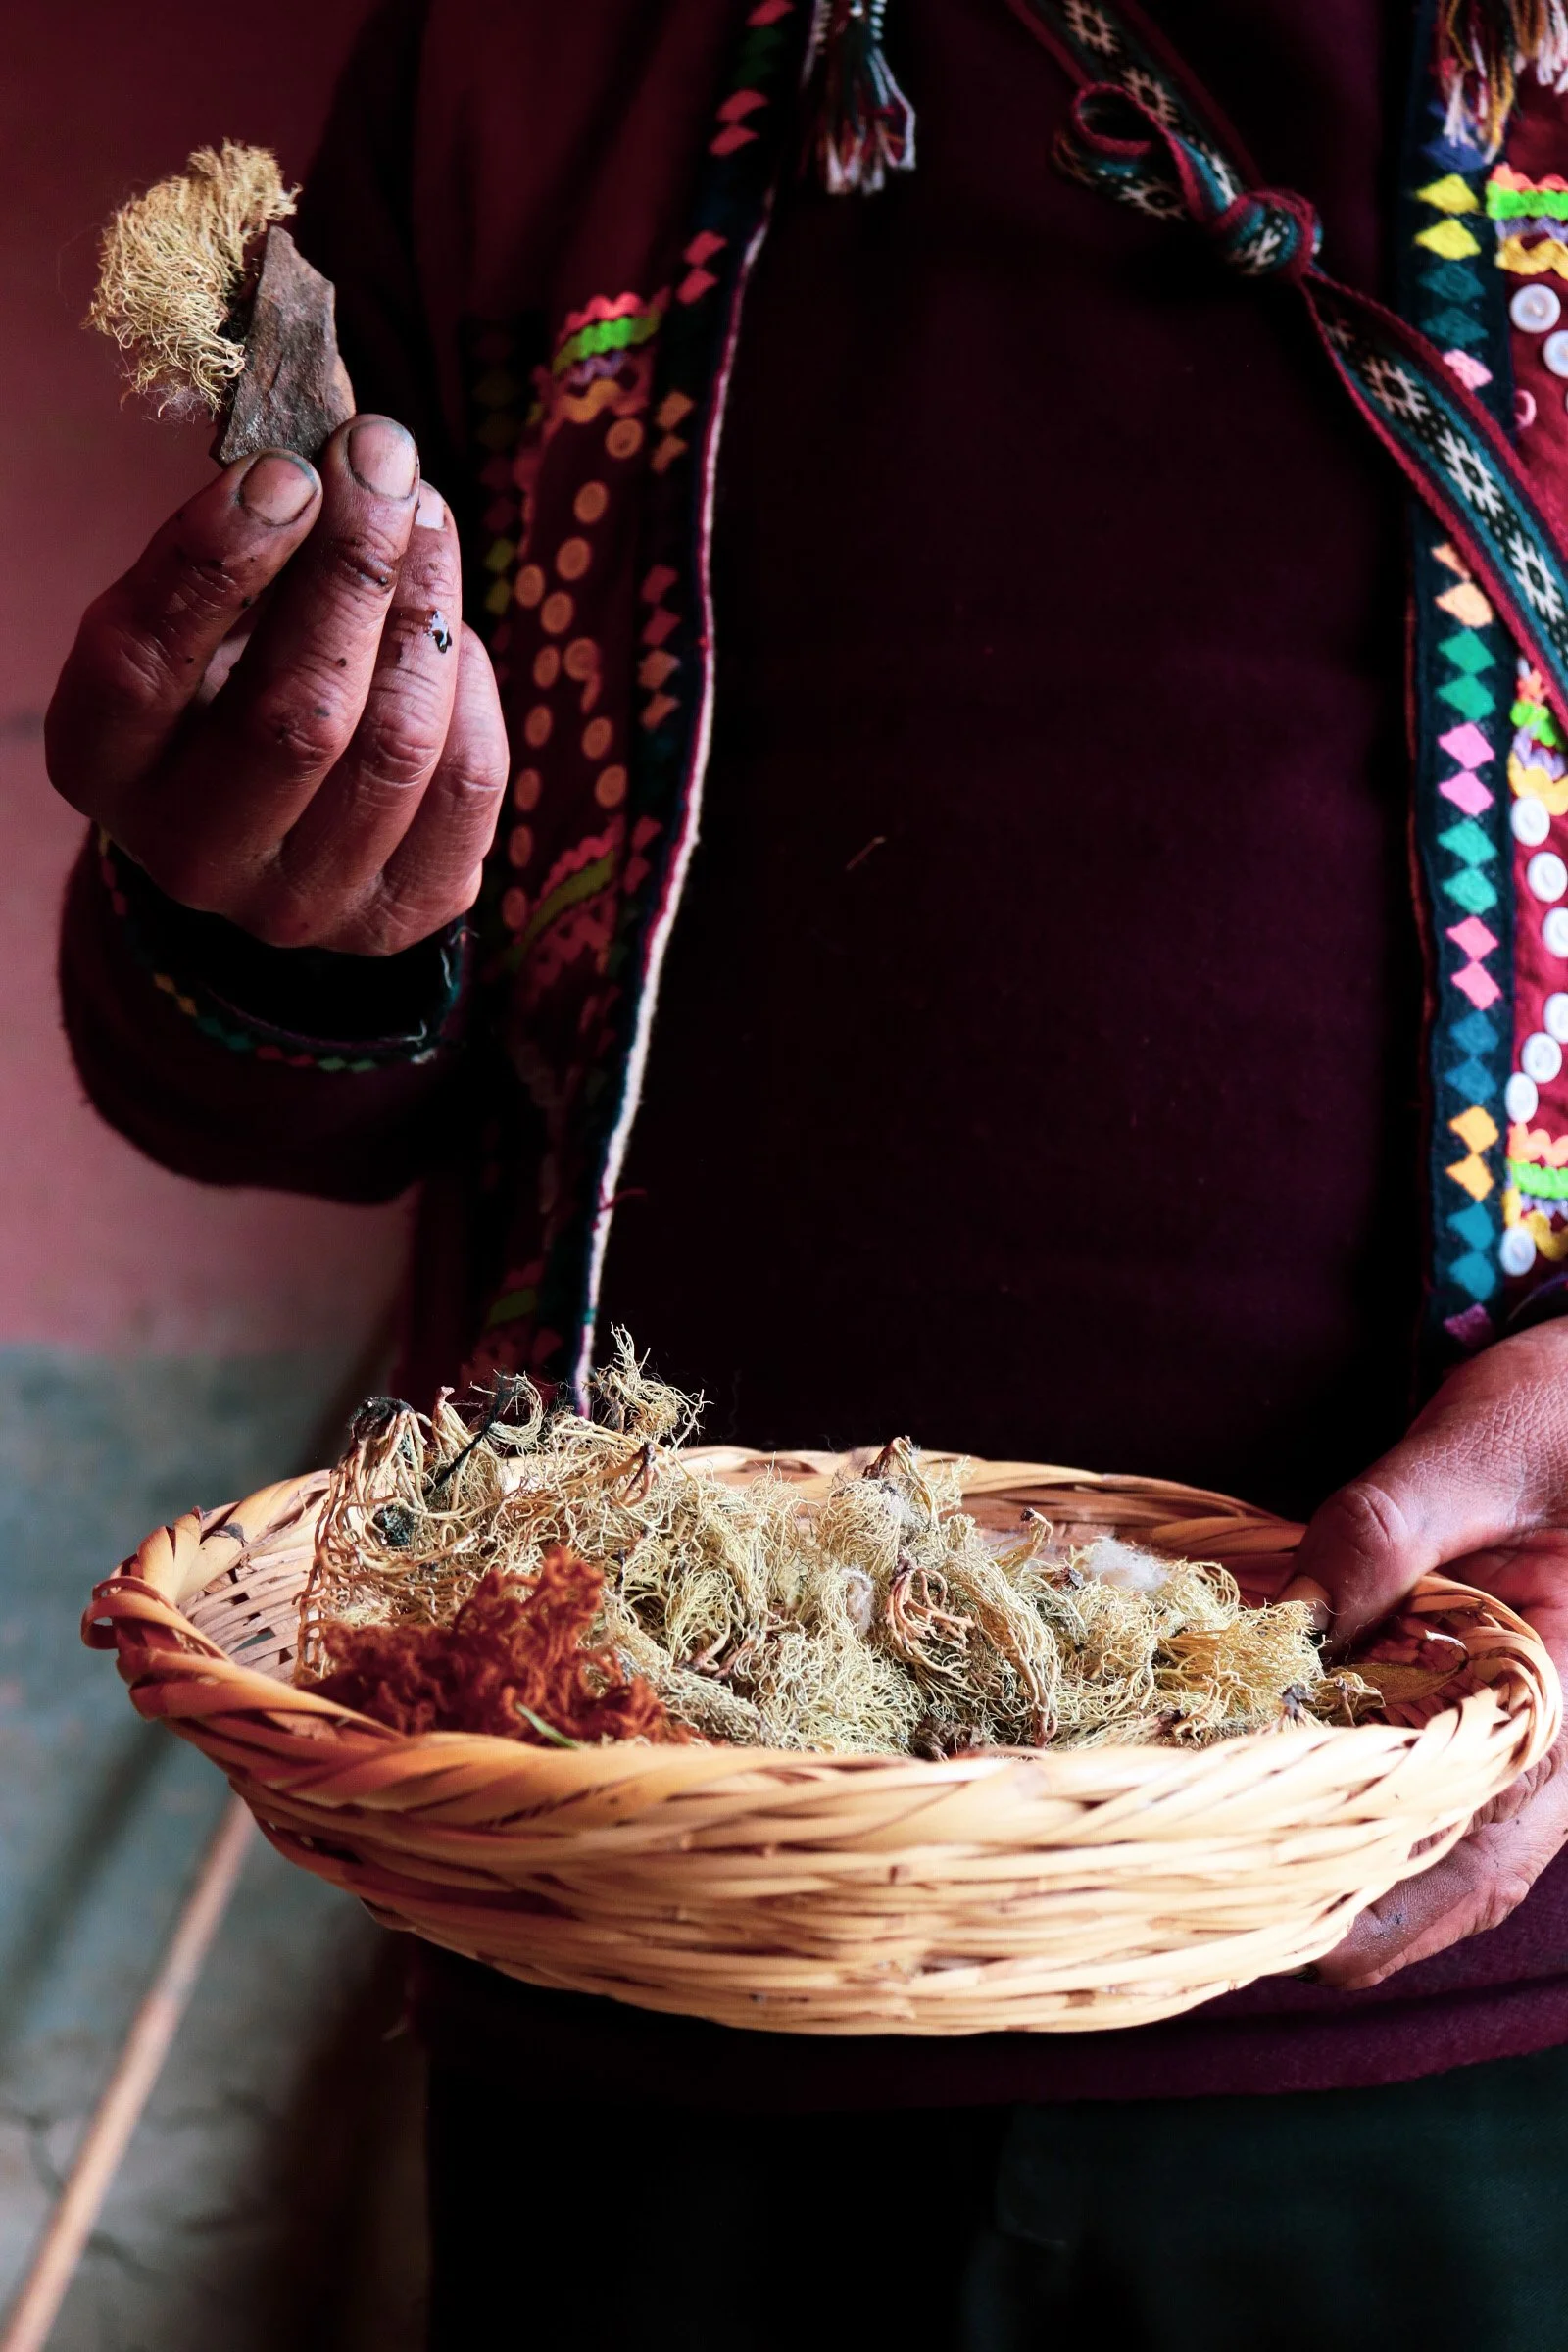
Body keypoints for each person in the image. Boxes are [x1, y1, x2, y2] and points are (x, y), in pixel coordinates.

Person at [45, 0, 1568, 2342]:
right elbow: (271, 1075)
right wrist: (274, 911)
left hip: (1464, 1989)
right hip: (640, 1947)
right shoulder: (522, 69)